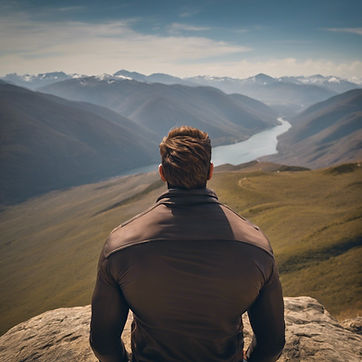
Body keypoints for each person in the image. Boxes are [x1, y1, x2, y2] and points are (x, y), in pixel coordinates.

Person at [90, 126, 285, 362]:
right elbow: (272, 344)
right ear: (210, 171)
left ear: (162, 173)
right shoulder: (256, 246)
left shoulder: (120, 245)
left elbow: (103, 343)